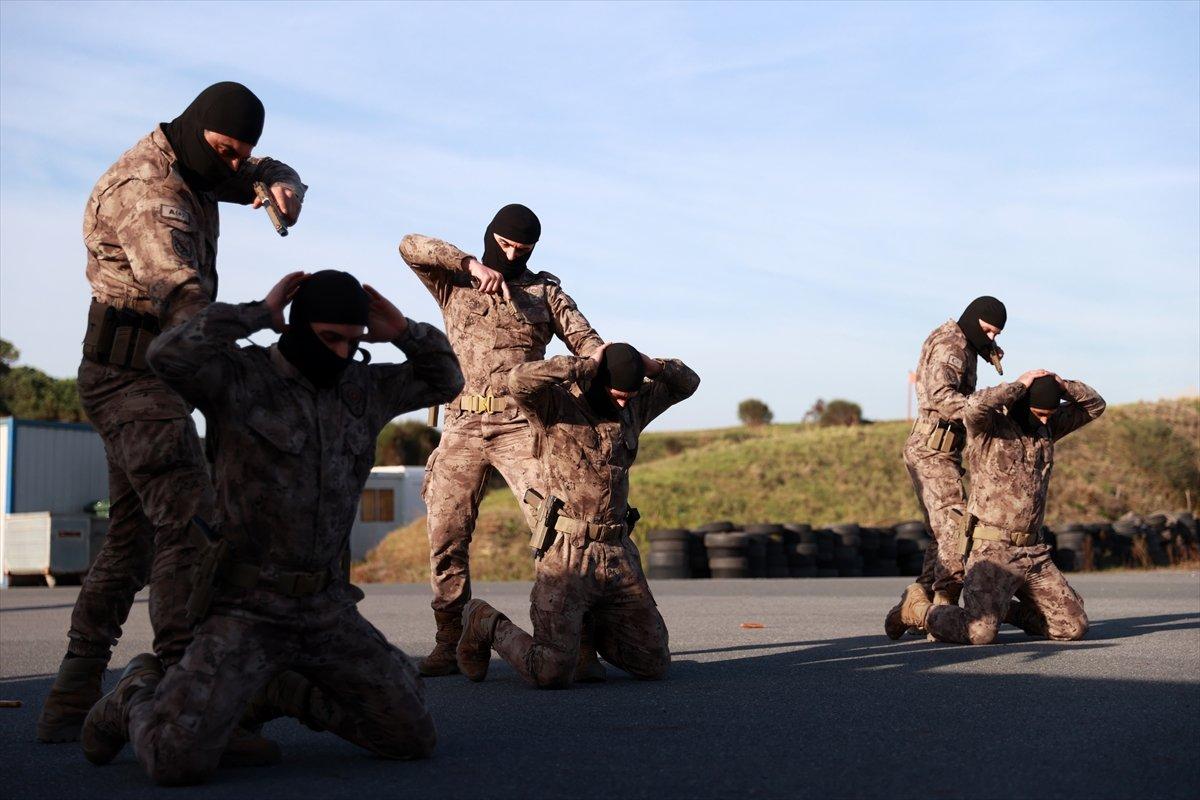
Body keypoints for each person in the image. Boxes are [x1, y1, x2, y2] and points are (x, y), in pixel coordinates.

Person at [79, 270, 461, 784]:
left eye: (353, 342)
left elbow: (447, 380)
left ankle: (285, 692)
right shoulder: (241, 377)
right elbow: (165, 356)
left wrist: (406, 332)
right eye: (329, 338)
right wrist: (256, 314)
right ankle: (137, 693)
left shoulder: (364, 389)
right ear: (298, 327)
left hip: (327, 610)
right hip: (247, 610)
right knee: (176, 761)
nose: (343, 353)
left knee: (411, 738)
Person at [39, 82, 306, 747]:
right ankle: (188, 697)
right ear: (196, 133)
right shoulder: (150, 196)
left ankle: (71, 697)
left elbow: (249, 167)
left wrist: (282, 182)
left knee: (132, 542)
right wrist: (264, 319)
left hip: (157, 370)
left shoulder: (194, 159)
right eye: (225, 151)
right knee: (190, 521)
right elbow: (184, 302)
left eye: (240, 154)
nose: (231, 165)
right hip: (131, 376)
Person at [398, 204, 605, 679]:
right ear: (491, 236)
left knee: (559, 531)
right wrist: (471, 262)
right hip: (463, 425)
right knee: (446, 535)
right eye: (505, 244)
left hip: (523, 426)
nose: (511, 254)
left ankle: (574, 640)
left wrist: (614, 365)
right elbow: (409, 245)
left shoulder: (544, 292)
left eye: (522, 248)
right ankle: (450, 640)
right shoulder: (455, 280)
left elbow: (587, 344)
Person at [456, 343, 700, 688]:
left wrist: (650, 366)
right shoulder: (555, 405)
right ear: (597, 380)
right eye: (616, 395)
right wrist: (580, 365)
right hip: (569, 554)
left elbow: (687, 383)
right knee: (551, 672)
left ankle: (584, 632)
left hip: (617, 555)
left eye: (628, 396)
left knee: (652, 663)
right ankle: (484, 622)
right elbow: (517, 380)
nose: (623, 403)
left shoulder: (633, 406)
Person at [893, 371, 1104, 645]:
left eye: (1049, 414)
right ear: (1023, 403)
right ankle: (917, 610)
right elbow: (973, 407)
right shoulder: (989, 429)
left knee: (1072, 626)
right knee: (980, 633)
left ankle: (1002, 610)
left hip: (1034, 553)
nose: (1045, 419)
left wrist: (1062, 385)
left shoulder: (1047, 428)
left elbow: (1095, 406)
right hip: (993, 552)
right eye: (1039, 412)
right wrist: (1019, 385)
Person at [884, 296, 1006, 639]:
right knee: (955, 526)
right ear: (973, 320)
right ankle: (943, 609)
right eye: (987, 330)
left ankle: (911, 609)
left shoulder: (967, 343)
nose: (992, 339)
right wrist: (985, 406)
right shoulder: (952, 343)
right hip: (930, 450)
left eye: (996, 334)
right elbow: (942, 396)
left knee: (942, 535)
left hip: (945, 451)